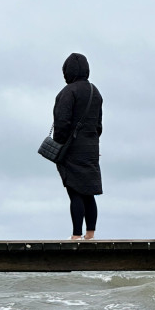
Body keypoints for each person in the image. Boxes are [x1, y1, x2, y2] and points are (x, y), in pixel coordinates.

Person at [53, 53, 103, 240]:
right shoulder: (94, 91)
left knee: (75, 192)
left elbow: (61, 123)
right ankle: (90, 233)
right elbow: (99, 125)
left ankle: (76, 235)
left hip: (72, 149)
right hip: (91, 147)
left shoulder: (68, 92)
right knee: (89, 193)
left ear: (67, 71)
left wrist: (59, 144)